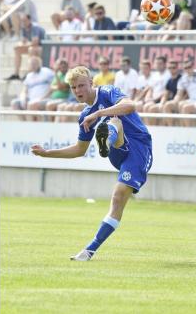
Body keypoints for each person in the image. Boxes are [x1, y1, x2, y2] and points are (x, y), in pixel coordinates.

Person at [30, 66, 153, 262]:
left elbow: (130, 105)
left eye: (81, 85)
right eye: (73, 87)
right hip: (117, 153)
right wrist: (47, 154)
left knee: (118, 197)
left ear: (91, 83)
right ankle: (107, 141)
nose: (78, 91)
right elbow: (79, 150)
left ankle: (89, 251)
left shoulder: (107, 92)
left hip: (139, 150)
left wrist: (98, 114)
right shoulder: (85, 116)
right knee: (110, 124)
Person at [164, 59, 196, 127]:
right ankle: (173, 128)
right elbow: (179, 94)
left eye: (189, 67)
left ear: (193, 66)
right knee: (168, 105)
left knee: (184, 107)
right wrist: (175, 101)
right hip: (192, 100)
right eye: (185, 68)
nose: (188, 69)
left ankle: (187, 129)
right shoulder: (183, 79)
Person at [11, 56, 54, 121]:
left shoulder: (47, 72)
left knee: (31, 104)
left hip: (44, 99)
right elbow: (24, 90)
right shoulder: (29, 76)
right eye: (31, 64)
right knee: (15, 103)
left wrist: (42, 98)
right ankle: (24, 123)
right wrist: (23, 98)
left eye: (35, 64)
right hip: (31, 99)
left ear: (39, 64)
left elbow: (52, 87)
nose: (33, 66)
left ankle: (32, 125)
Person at [6, 13, 45, 81]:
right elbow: (24, 41)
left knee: (31, 49)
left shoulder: (35, 27)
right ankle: (16, 74)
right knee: (17, 49)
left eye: (25, 20)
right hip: (35, 47)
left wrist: (25, 44)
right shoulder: (24, 28)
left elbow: (35, 43)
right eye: (22, 21)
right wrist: (19, 45)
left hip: (44, 47)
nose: (23, 22)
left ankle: (30, 72)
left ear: (29, 20)